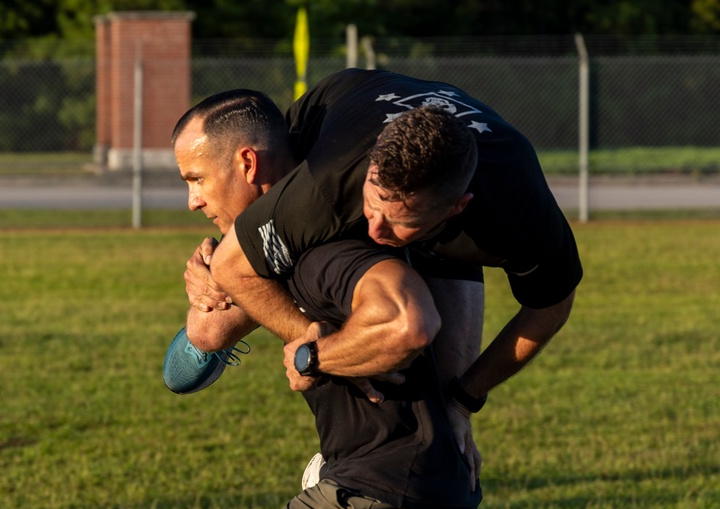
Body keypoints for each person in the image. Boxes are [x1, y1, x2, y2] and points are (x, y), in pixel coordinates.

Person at [173, 91, 482, 509]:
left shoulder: (326, 245)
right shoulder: (298, 240)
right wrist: (216, 271)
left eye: (196, 178)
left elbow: (407, 317)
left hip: (380, 488)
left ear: (246, 164)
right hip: (434, 490)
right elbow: (203, 338)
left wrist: (313, 354)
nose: (192, 201)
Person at [180, 69, 583, 471]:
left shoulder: (519, 213)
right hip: (349, 128)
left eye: (396, 221)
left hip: (444, 218)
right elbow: (236, 265)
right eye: (372, 209)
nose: (374, 232)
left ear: (457, 207)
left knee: (443, 421)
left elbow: (549, 309)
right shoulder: (331, 177)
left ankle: (379, 474)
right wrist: (315, 344)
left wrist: (466, 397)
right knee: (210, 329)